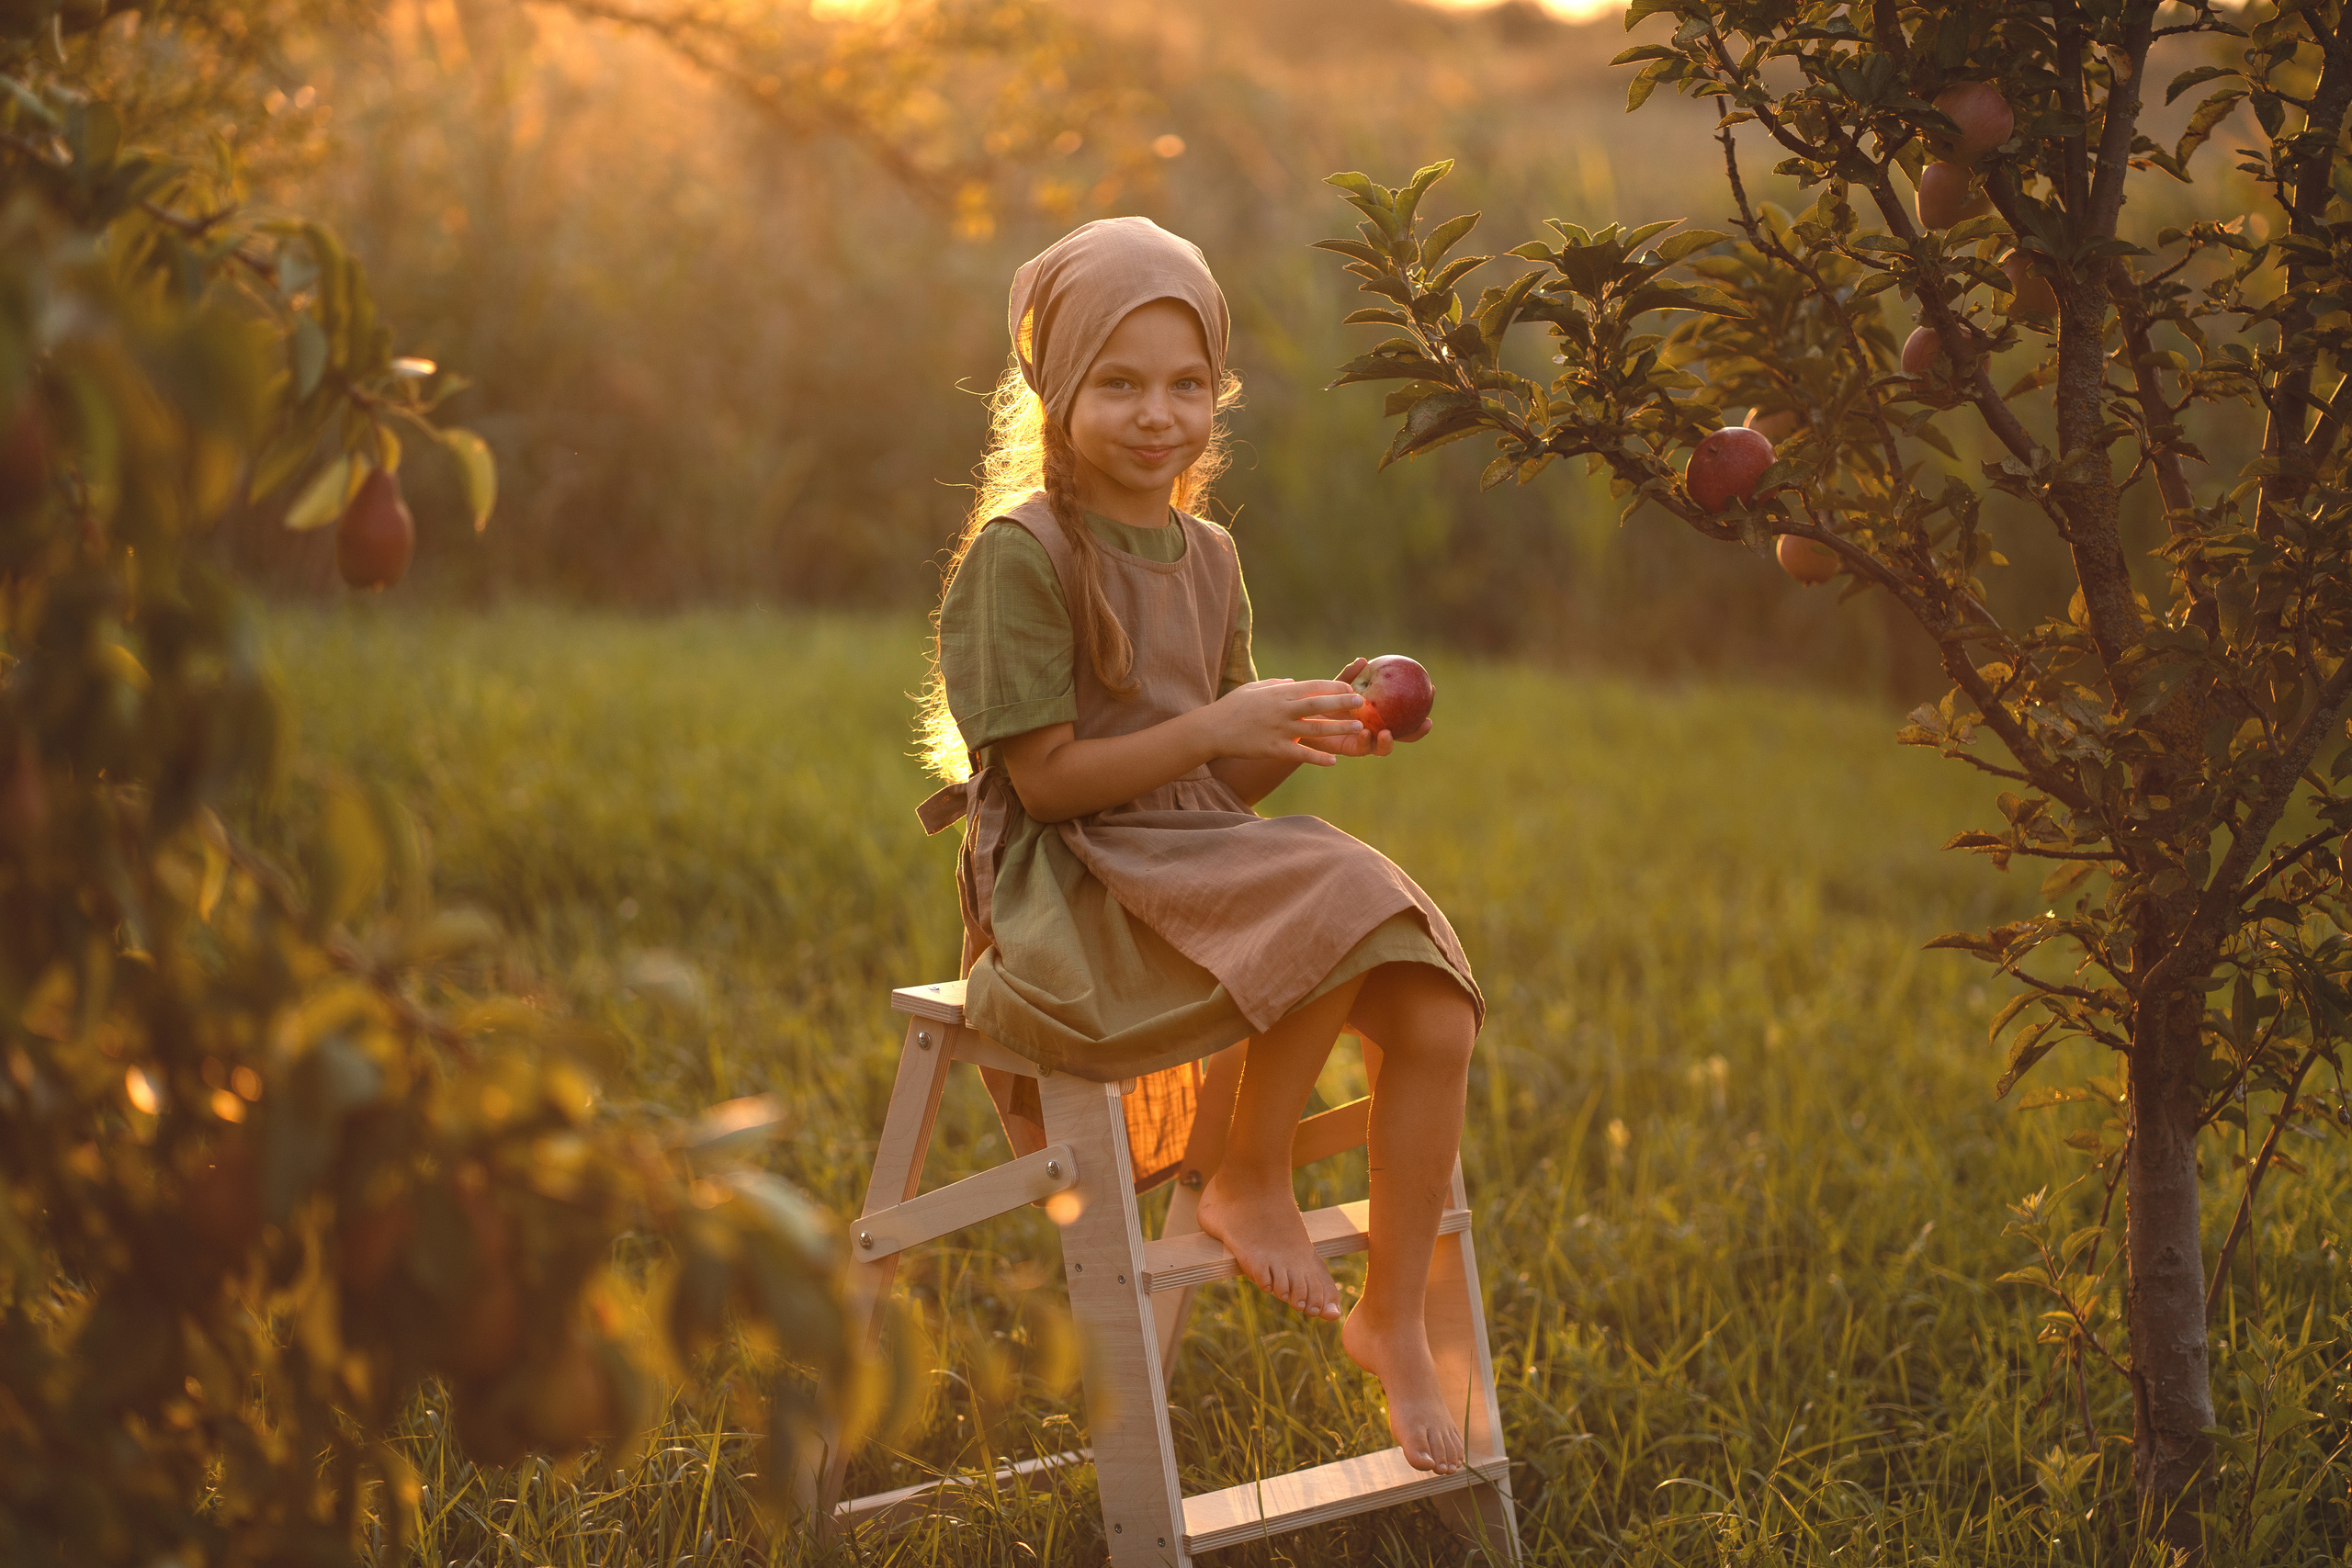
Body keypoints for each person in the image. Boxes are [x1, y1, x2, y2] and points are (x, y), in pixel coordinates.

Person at [914, 217, 1483, 1476]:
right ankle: (1246, 1177)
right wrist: (1224, 725)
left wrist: (1298, 732)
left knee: (1434, 1013)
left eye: (1185, 385)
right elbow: (1051, 786)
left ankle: (1389, 1315)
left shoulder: (1207, 553)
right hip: (1069, 882)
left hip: (1189, 856)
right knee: (1330, 888)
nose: (1157, 415)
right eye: (1119, 385)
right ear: (1058, 394)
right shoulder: (1025, 556)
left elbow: (1218, 784)